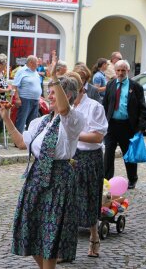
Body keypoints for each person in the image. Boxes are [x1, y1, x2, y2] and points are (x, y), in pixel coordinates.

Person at [0, 66, 84, 269]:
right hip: (37, 178)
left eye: (54, 92)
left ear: (68, 95)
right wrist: (6, 119)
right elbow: (21, 143)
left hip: (59, 180)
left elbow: (64, 110)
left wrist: (54, 76)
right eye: (50, 91)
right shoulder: (41, 121)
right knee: (30, 229)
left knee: (51, 233)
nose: (50, 95)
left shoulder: (74, 119)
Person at [66, 71, 108, 258]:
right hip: (69, 156)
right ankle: (65, 247)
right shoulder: (64, 108)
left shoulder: (94, 107)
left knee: (89, 199)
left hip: (90, 157)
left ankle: (93, 235)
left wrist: (73, 134)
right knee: (67, 202)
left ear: (79, 88)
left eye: (67, 90)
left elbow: (98, 136)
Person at [103, 60, 146, 190]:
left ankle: (132, 179)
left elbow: (142, 108)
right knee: (108, 153)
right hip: (111, 125)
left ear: (128, 71)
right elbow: (105, 104)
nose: (121, 73)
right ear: (115, 71)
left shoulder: (136, 87)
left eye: (123, 70)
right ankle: (107, 179)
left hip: (128, 126)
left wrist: (140, 127)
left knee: (128, 154)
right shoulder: (110, 84)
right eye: (118, 70)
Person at [12, 55, 42, 133]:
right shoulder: (22, 71)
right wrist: (17, 98)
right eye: (37, 62)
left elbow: (37, 86)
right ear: (31, 62)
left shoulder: (35, 72)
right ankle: (18, 141)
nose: (38, 64)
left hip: (35, 100)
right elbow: (14, 86)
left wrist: (39, 99)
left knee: (33, 122)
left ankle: (29, 140)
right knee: (22, 120)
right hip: (25, 99)